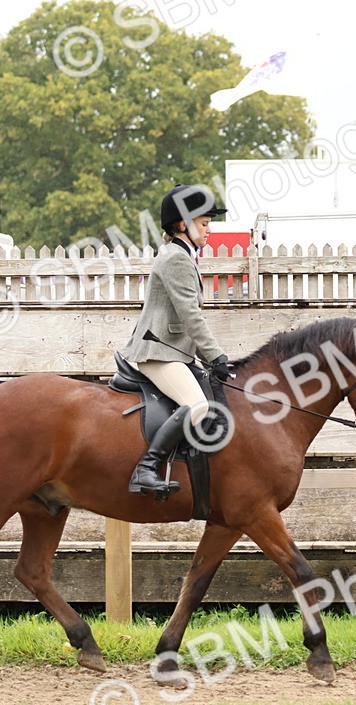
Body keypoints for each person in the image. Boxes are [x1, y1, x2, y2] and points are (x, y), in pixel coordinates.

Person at [119, 184, 233, 497]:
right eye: (205, 223)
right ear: (183, 224)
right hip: (158, 353)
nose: (209, 231)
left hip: (175, 352)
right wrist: (216, 356)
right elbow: (191, 317)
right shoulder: (176, 260)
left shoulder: (181, 256)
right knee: (196, 407)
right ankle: (146, 468)